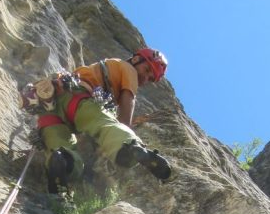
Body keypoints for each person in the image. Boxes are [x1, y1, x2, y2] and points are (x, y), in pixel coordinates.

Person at [23, 48, 172, 192]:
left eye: (150, 79)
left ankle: (62, 165)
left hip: (49, 110)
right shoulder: (128, 68)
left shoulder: (105, 67)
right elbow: (128, 100)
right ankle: (129, 148)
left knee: (58, 148)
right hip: (78, 100)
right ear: (136, 60)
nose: (145, 78)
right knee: (104, 124)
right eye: (146, 70)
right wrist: (127, 132)